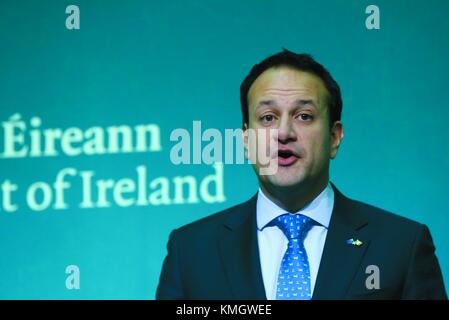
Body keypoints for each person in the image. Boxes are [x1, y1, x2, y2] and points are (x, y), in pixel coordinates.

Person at [156, 49, 447, 300]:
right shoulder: (192, 252)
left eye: (304, 116)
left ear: (334, 137)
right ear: (245, 141)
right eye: (268, 118)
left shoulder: (400, 245)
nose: (284, 133)